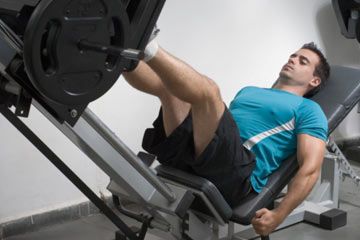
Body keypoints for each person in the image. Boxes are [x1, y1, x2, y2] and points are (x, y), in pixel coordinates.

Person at [123, 32, 330, 236]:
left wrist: (278, 215)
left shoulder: (309, 110)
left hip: (238, 174)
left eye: (303, 61)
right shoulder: (249, 91)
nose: (293, 60)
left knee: (210, 93)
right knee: (170, 90)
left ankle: (149, 46)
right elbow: (216, 125)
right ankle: (120, 50)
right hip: (204, 157)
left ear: (314, 81)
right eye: (293, 56)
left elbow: (310, 170)